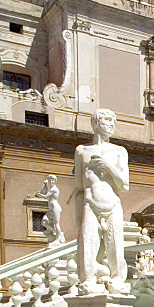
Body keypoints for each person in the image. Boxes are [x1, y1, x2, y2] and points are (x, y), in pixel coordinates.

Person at [74, 108, 129, 295]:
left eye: (113, 121)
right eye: (107, 120)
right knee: (88, 244)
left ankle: (117, 280)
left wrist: (109, 167)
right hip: (90, 203)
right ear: (96, 123)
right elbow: (79, 187)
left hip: (113, 204)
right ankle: (89, 279)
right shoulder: (82, 151)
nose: (112, 124)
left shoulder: (119, 151)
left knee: (115, 246)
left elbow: (125, 186)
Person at [36, 174, 65, 246]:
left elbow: (45, 196)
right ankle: (59, 233)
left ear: (55, 181)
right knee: (44, 222)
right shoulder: (50, 188)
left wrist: (40, 195)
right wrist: (45, 185)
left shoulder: (54, 189)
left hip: (55, 207)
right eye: (50, 180)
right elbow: (43, 192)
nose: (51, 181)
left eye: (52, 180)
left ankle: (58, 239)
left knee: (56, 224)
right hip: (51, 208)